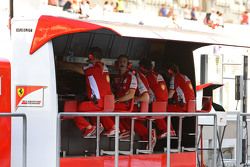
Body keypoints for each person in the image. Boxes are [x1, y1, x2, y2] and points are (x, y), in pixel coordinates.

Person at [58, 47, 115, 137]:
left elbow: (76, 68)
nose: (88, 61)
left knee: (74, 110)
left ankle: (89, 128)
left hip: (98, 103)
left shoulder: (94, 67)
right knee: (86, 107)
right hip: (106, 102)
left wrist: (60, 64)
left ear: (91, 57)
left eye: (89, 59)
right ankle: (99, 126)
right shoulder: (104, 67)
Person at [139, 58, 176, 139]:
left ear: (141, 67)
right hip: (164, 101)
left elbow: (148, 92)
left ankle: (164, 130)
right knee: (163, 112)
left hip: (156, 103)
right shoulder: (158, 75)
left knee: (146, 111)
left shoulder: (147, 76)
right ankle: (170, 129)